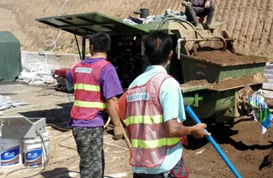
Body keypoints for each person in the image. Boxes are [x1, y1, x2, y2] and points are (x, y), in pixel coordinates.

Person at [115, 31, 210, 178]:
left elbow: (129, 126)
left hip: (140, 168)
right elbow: (172, 129)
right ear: (171, 54)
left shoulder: (133, 86)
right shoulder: (168, 84)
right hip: (165, 166)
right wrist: (193, 130)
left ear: (145, 54)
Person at [66, 32, 124, 178]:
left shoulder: (77, 67)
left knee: (91, 160)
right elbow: (111, 100)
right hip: (91, 124)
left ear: (91, 47)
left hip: (78, 124)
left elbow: (69, 79)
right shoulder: (106, 68)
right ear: (108, 48)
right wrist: (117, 126)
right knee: (92, 167)